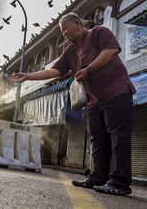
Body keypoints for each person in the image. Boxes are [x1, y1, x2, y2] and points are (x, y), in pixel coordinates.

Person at [10, 12, 135, 196]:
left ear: (77, 24)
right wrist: (29, 76)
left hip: (115, 92)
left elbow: (111, 50)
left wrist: (89, 69)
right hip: (91, 101)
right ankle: (97, 178)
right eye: (62, 32)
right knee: (97, 141)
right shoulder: (69, 51)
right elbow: (54, 71)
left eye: (65, 29)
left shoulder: (98, 32)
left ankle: (120, 182)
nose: (64, 34)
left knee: (118, 138)